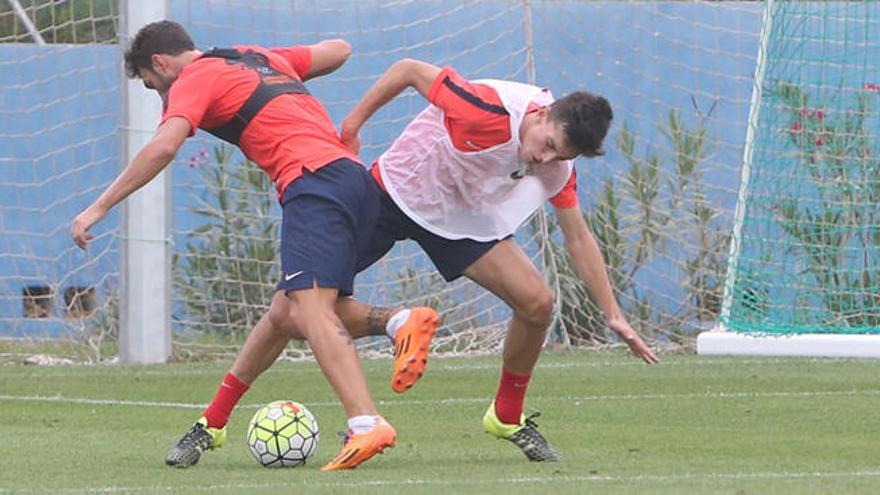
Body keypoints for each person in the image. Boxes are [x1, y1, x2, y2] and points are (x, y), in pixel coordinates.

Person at [69, 20, 439, 472]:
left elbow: (163, 148)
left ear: (161, 63)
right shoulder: (254, 56)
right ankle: (214, 421)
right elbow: (338, 48)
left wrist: (99, 208)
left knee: (311, 310)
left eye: (152, 85)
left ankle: (366, 423)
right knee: (285, 312)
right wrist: (284, 75)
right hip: (355, 182)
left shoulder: (194, 78)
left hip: (314, 182)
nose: (159, 94)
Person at [334, 59, 661, 461]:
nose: (546, 159)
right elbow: (407, 71)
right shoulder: (486, 108)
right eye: (550, 145)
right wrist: (352, 127)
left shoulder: (558, 166)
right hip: (395, 191)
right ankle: (394, 327)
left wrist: (614, 314)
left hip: (458, 219)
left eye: (560, 156)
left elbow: (577, 235)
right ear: (541, 115)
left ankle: (506, 415)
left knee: (537, 303)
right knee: (304, 304)